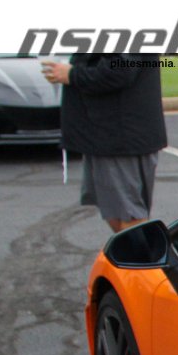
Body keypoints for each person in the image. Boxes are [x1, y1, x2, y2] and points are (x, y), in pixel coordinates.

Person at [39, 54, 166, 233]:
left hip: (119, 136)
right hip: (108, 135)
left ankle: (145, 259)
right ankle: (138, 257)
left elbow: (120, 70)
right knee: (117, 212)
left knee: (129, 215)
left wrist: (72, 74)